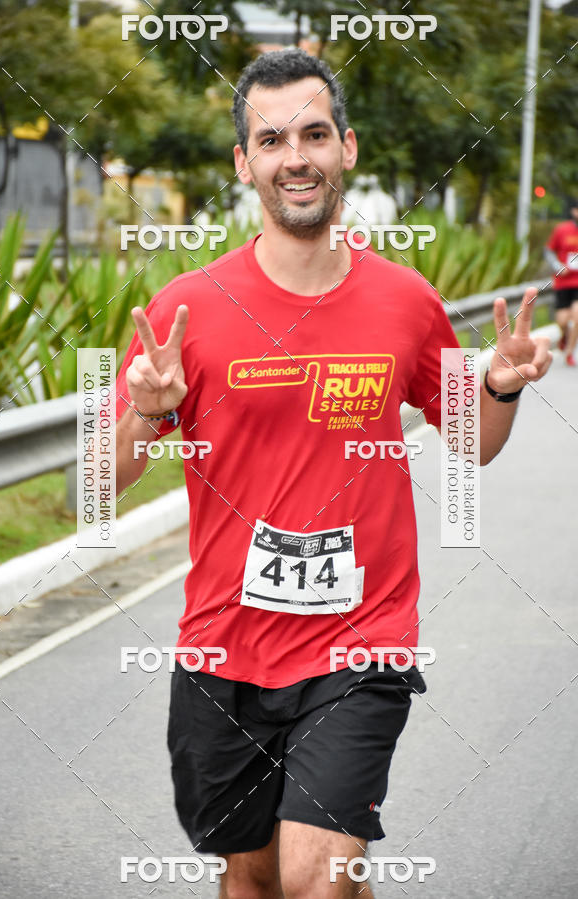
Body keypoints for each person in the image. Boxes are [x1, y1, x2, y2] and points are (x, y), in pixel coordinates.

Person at [115, 48, 552, 899]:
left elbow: (473, 442)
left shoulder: (405, 300)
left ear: (347, 147)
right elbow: (100, 480)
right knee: (256, 878)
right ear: (245, 163)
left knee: (317, 876)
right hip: (225, 646)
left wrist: (498, 383)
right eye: (272, 139)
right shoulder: (186, 308)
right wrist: (147, 409)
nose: (297, 157)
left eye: (315, 134)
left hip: (362, 644)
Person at [545, 198, 578, 366]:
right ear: (574, 212)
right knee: (562, 321)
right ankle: (565, 336)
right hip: (563, 282)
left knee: (577, 315)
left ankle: (570, 353)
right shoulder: (562, 230)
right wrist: (557, 266)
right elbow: (549, 251)